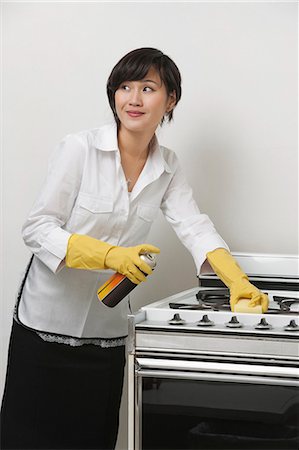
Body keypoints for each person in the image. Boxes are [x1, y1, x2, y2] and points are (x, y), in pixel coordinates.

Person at [0, 47, 268, 450]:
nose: (134, 99)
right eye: (125, 87)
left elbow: (194, 225)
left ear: (170, 100)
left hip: (106, 334)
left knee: (93, 439)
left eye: (148, 88)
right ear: (113, 95)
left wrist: (236, 280)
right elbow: (37, 228)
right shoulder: (80, 148)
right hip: (45, 326)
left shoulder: (168, 166)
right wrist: (108, 255)